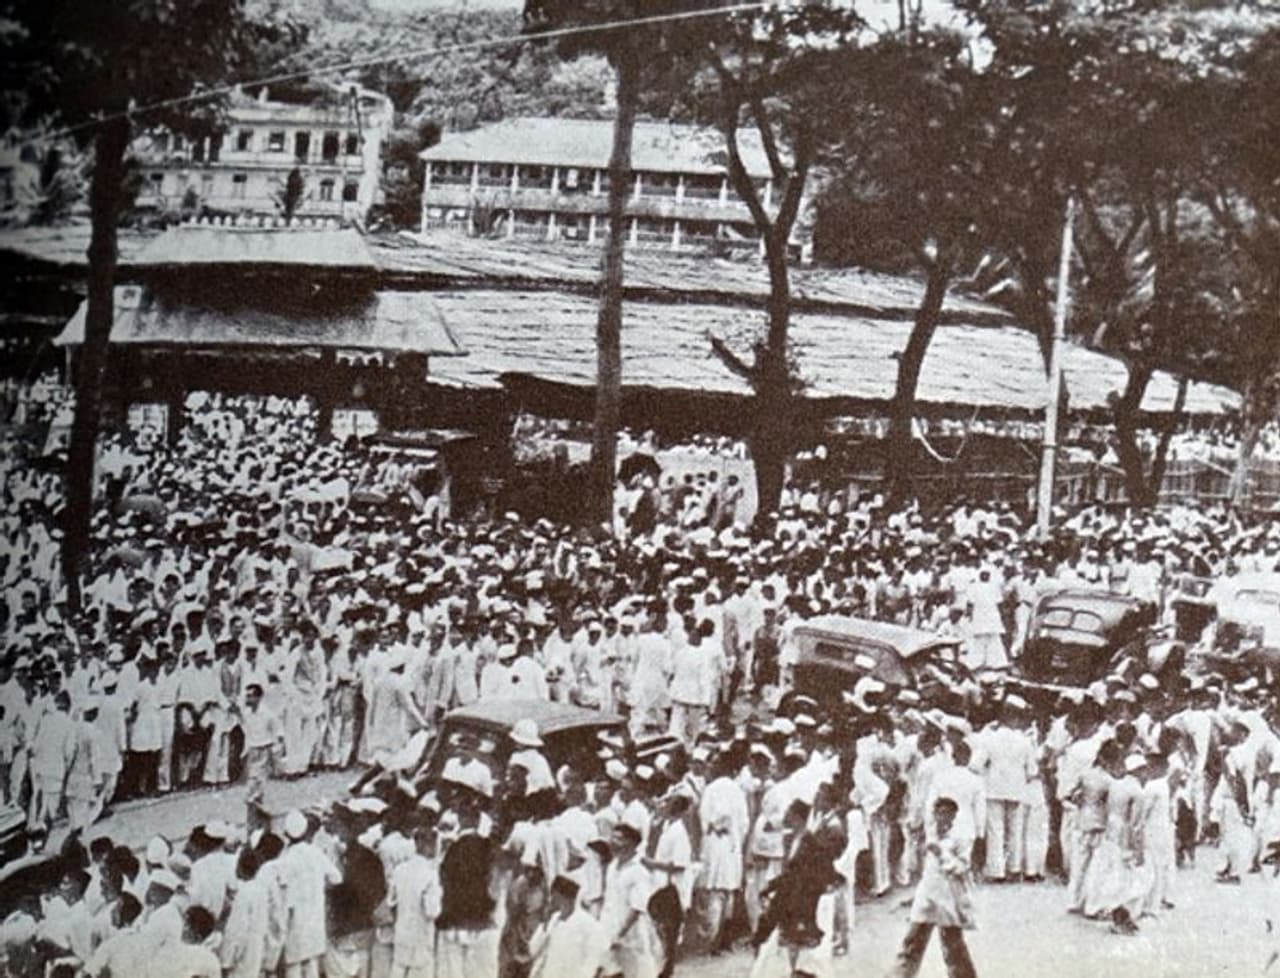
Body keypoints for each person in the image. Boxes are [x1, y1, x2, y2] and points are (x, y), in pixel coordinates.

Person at [890, 797, 978, 978]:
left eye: (947, 814)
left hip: (948, 898)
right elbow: (921, 868)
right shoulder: (929, 834)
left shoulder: (960, 838)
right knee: (913, 941)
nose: (942, 818)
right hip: (927, 896)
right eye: (939, 813)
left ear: (954, 816)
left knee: (952, 944)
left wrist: (942, 854)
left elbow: (962, 866)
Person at [277, 809, 342, 978]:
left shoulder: (287, 858)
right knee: (312, 966)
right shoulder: (316, 852)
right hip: (315, 919)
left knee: (294, 968)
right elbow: (336, 878)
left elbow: (283, 887)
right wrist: (319, 887)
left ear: (287, 834)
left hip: (295, 923)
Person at [600, 821, 660, 978]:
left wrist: (620, 933)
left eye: (618, 839)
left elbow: (637, 908)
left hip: (631, 934)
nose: (612, 843)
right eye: (612, 838)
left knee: (638, 972)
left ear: (631, 843)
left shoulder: (639, 871)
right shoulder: (613, 866)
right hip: (609, 928)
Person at [389, 824, 442, 978]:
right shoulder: (431, 874)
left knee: (398, 971)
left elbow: (391, 902)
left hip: (401, 932)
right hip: (421, 936)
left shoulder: (400, 869)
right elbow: (432, 911)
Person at [529, 874, 606, 978]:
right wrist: (545, 924)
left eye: (554, 895)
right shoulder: (552, 920)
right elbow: (533, 949)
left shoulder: (588, 924)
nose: (551, 900)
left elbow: (594, 959)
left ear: (562, 896)